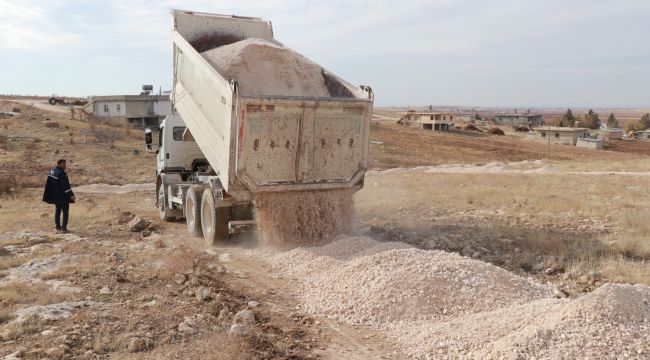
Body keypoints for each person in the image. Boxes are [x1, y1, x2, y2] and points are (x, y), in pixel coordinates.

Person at [43, 159, 75, 233]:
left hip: (55, 196)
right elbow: (65, 186)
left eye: (65, 164)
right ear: (58, 164)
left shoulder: (53, 171)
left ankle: (58, 227)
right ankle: (64, 228)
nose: (65, 166)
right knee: (65, 211)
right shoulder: (61, 173)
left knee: (58, 210)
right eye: (63, 164)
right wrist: (71, 195)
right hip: (62, 196)